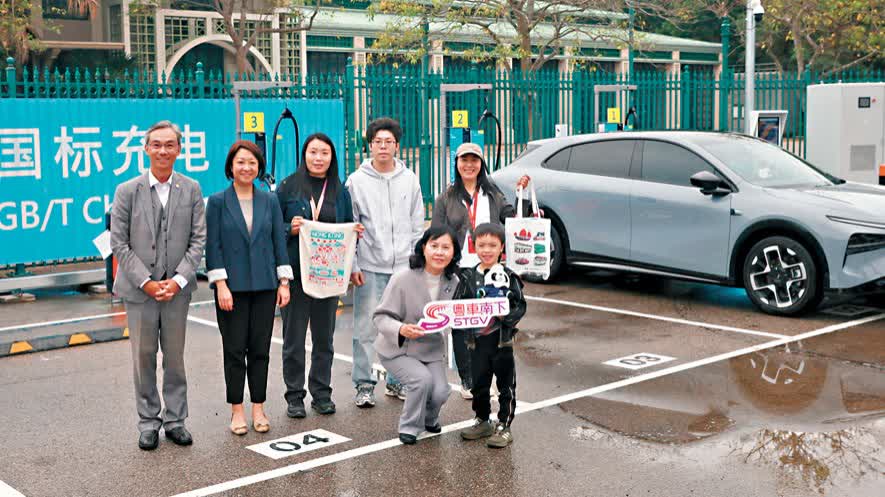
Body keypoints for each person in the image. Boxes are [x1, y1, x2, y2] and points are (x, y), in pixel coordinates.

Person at [110, 120, 206, 451]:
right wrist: (147, 283)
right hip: (140, 292)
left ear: (179, 149)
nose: (163, 150)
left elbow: (198, 240)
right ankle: (149, 422)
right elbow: (119, 243)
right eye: (156, 145)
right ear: (146, 149)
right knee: (143, 356)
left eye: (170, 145)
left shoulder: (191, 188)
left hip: (177, 292)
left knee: (175, 357)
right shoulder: (127, 191)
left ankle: (176, 419)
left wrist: (178, 280)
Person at [205, 140, 292, 435]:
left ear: (259, 167)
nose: (247, 167)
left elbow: (279, 242)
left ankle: (259, 407)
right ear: (231, 166)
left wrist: (283, 282)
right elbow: (213, 246)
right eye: (241, 162)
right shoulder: (217, 202)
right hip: (232, 289)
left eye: (252, 163)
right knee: (233, 350)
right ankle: (237, 411)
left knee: (260, 350)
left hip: (266, 287)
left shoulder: (269, 200)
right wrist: (221, 285)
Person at [431, 142, 529, 399]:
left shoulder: (492, 192)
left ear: (481, 164)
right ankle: (468, 379)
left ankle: (486, 375)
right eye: (464, 160)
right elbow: (436, 233)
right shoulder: (447, 197)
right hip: (460, 268)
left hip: (489, 267)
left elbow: (510, 215)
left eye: (474, 160)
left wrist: (521, 195)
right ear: (457, 164)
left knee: (489, 324)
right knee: (463, 326)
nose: (469, 165)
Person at [276, 133, 364, 419]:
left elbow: (348, 228)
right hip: (297, 276)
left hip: (329, 276)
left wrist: (354, 234)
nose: (318, 158)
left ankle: (322, 393)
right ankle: (294, 396)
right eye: (313, 152)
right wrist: (290, 227)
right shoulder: (289, 187)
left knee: (324, 339)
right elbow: (273, 228)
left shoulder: (339, 190)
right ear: (305, 155)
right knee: (294, 339)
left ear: (331, 157)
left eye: (324, 153)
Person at [346, 117, 425, 407]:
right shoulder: (356, 181)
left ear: (397, 146)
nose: (383, 146)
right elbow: (350, 226)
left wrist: (416, 259)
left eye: (388, 142)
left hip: (403, 268)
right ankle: (364, 385)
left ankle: (396, 380)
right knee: (366, 329)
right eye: (377, 141)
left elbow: (418, 222)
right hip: (369, 266)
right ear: (370, 145)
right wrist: (353, 265)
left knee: (402, 328)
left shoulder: (410, 178)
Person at [373, 226, 461, 444]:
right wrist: (401, 329)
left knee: (440, 391)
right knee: (421, 381)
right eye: (434, 246)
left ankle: (430, 418)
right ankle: (410, 427)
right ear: (424, 248)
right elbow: (380, 317)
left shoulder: (454, 282)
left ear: (453, 253)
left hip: (430, 349)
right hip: (398, 349)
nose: (439, 252)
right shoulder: (402, 278)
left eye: (445, 247)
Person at [455, 222, 527, 448]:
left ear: (501, 248)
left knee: (506, 385)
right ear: (473, 245)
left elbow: (520, 305)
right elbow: (458, 305)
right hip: (476, 342)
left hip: (501, 341)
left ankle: (504, 424)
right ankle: (482, 420)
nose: (486, 250)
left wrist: (504, 315)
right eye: (481, 245)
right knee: (479, 383)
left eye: (492, 245)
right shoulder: (468, 277)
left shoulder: (508, 276)